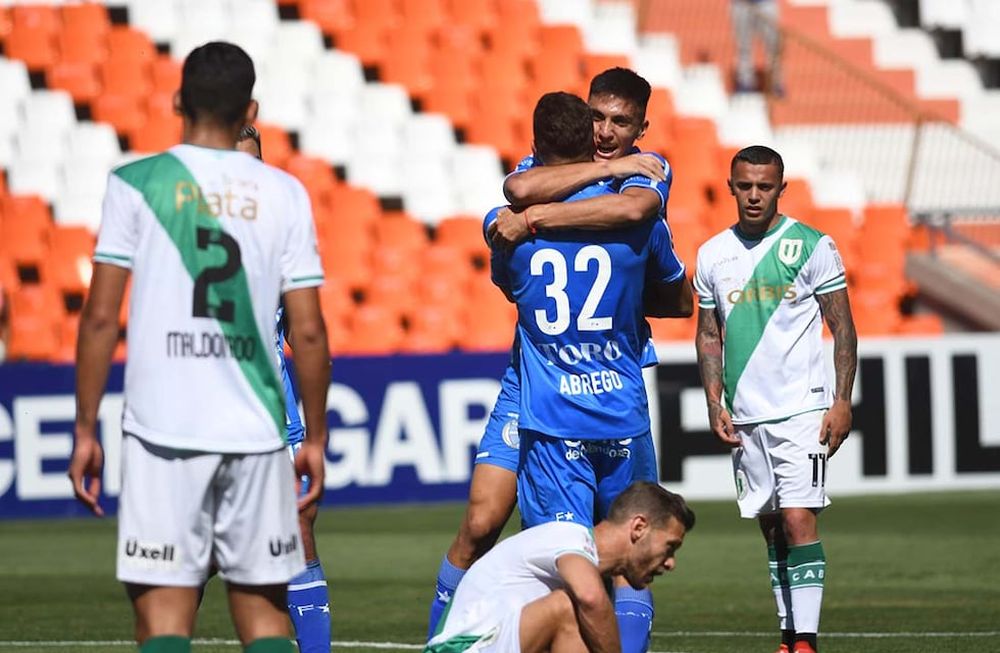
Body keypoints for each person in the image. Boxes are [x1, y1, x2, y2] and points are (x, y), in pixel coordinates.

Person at [67, 42, 330, 653]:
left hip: (164, 433)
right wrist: (313, 436)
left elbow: (101, 317)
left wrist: (84, 429)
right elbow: (310, 333)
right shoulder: (284, 194)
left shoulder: (136, 184)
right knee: (264, 614)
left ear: (178, 101)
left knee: (163, 618)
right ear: (250, 107)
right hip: (259, 433)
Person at [426, 68, 684, 653]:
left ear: (643, 126)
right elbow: (669, 282)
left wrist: (533, 221)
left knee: (597, 551)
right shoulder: (549, 179)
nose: (607, 131)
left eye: (621, 123)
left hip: (562, 396)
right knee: (482, 524)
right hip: (546, 383)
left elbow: (533, 212)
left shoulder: (637, 183)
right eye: (597, 117)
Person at [693, 145, 857, 653]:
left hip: (803, 410)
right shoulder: (712, 253)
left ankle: (806, 641)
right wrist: (713, 400)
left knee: (797, 517)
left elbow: (843, 327)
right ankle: (788, 636)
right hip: (746, 415)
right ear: (731, 187)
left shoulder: (812, 246)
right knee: (770, 528)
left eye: (765, 186)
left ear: (781, 189)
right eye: (745, 186)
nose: (755, 195)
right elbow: (708, 334)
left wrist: (842, 400)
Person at [235, 125, 332, 653]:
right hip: (208, 422)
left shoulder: (283, 235)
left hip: (277, 421)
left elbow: (302, 333)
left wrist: (313, 434)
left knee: (298, 533)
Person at [426, 481, 695, 653]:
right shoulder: (569, 538)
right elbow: (589, 599)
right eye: (669, 547)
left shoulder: (587, 567)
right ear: (638, 528)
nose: (670, 563)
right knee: (569, 607)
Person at [731, 0, 783, 95]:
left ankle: (776, 82)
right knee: (743, 46)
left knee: (773, 45)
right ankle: (745, 82)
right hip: (741, 4)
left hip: (765, 3)